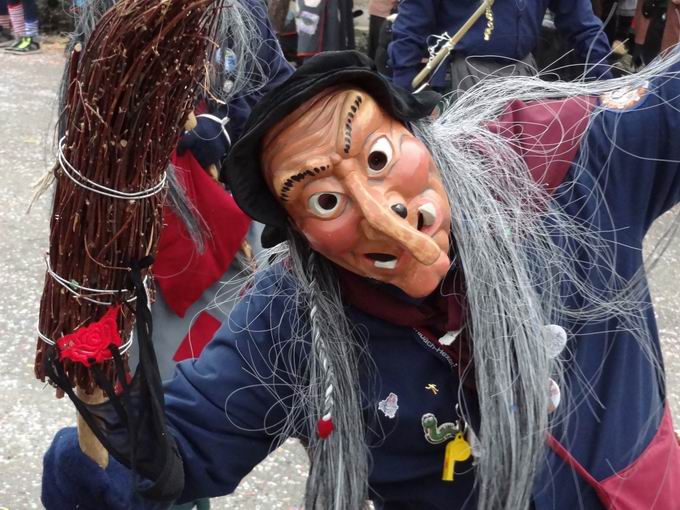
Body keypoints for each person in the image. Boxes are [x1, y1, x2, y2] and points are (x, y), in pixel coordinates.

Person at [42, 37, 680, 510]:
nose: (382, 218)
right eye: (324, 201)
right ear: (299, 237)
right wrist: (97, 397)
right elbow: (174, 453)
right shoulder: (294, 311)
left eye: (377, 156)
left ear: (413, 128)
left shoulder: (554, 161)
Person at [389, 0, 613, 93]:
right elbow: (411, 26)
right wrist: (401, 94)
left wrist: (607, 86)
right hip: (461, 79)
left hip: (522, 80)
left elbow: (584, 26)